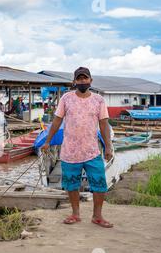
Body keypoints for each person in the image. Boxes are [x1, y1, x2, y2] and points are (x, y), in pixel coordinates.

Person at [41, 67, 114, 228]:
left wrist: (108, 146)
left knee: (99, 184)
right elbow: (57, 121)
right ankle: (75, 214)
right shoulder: (66, 99)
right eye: (79, 79)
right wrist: (47, 141)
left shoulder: (99, 100)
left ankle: (97, 216)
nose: (82, 81)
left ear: (90, 81)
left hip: (92, 151)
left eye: (85, 78)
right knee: (72, 184)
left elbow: (104, 124)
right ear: (74, 82)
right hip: (70, 151)